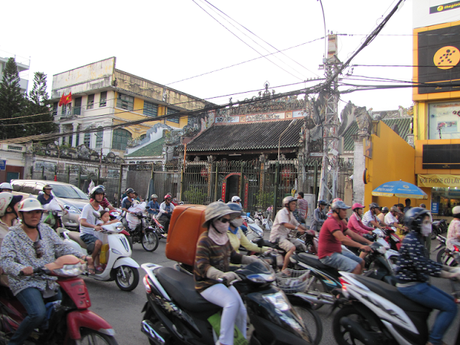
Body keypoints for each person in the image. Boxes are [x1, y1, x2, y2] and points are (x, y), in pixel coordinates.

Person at [0, 198, 92, 345]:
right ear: (22, 215)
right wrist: (22, 269)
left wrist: (82, 256)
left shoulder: (46, 230)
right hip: (25, 282)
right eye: (30, 213)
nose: (34, 215)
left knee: (65, 309)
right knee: (38, 314)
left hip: (49, 279)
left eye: (37, 212)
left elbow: (61, 248)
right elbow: (6, 260)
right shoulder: (12, 236)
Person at [194, 202, 260, 345]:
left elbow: (234, 256)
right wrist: (221, 275)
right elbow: (202, 265)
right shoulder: (204, 239)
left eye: (228, 220)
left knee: (242, 310)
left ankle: (241, 341)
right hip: (206, 283)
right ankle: (224, 342)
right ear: (213, 221)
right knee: (231, 303)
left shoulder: (224, 238)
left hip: (223, 281)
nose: (227, 223)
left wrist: (252, 260)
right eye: (223, 220)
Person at [395, 207, 460, 345]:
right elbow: (424, 266)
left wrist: (451, 269)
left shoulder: (418, 238)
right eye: (425, 222)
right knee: (450, 306)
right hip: (411, 285)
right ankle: (434, 341)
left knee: (450, 301)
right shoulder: (412, 240)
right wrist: (450, 275)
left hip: (419, 283)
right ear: (416, 224)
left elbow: (427, 262)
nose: (429, 225)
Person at [317, 200, 373, 274]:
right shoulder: (331, 222)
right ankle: (349, 285)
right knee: (356, 267)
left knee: (361, 262)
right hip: (328, 255)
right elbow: (342, 239)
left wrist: (369, 242)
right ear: (337, 210)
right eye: (343, 210)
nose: (346, 212)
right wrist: (361, 246)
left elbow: (352, 234)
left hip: (337, 252)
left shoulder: (340, 222)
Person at [269, 196, 306, 273]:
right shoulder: (282, 213)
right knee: (292, 248)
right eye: (292, 204)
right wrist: (297, 228)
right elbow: (285, 224)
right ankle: (284, 269)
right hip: (278, 237)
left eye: (295, 204)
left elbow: (297, 224)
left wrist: (307, 230)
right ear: (286, 205)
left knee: (301, 245)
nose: (294, 206)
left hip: (286, 237)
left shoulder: (290, 214)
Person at [79, 186, 105, 274]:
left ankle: (99, 264)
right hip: (86, 233)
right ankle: (90, 262)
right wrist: (94, 226)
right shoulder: (87, 207)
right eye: (98, 195)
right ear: (93, 196)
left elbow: (101, 221)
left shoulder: (101, 208)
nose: (100, 197)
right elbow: (82, 222)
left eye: (101, 195)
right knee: (98, 243)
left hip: (96, 233)